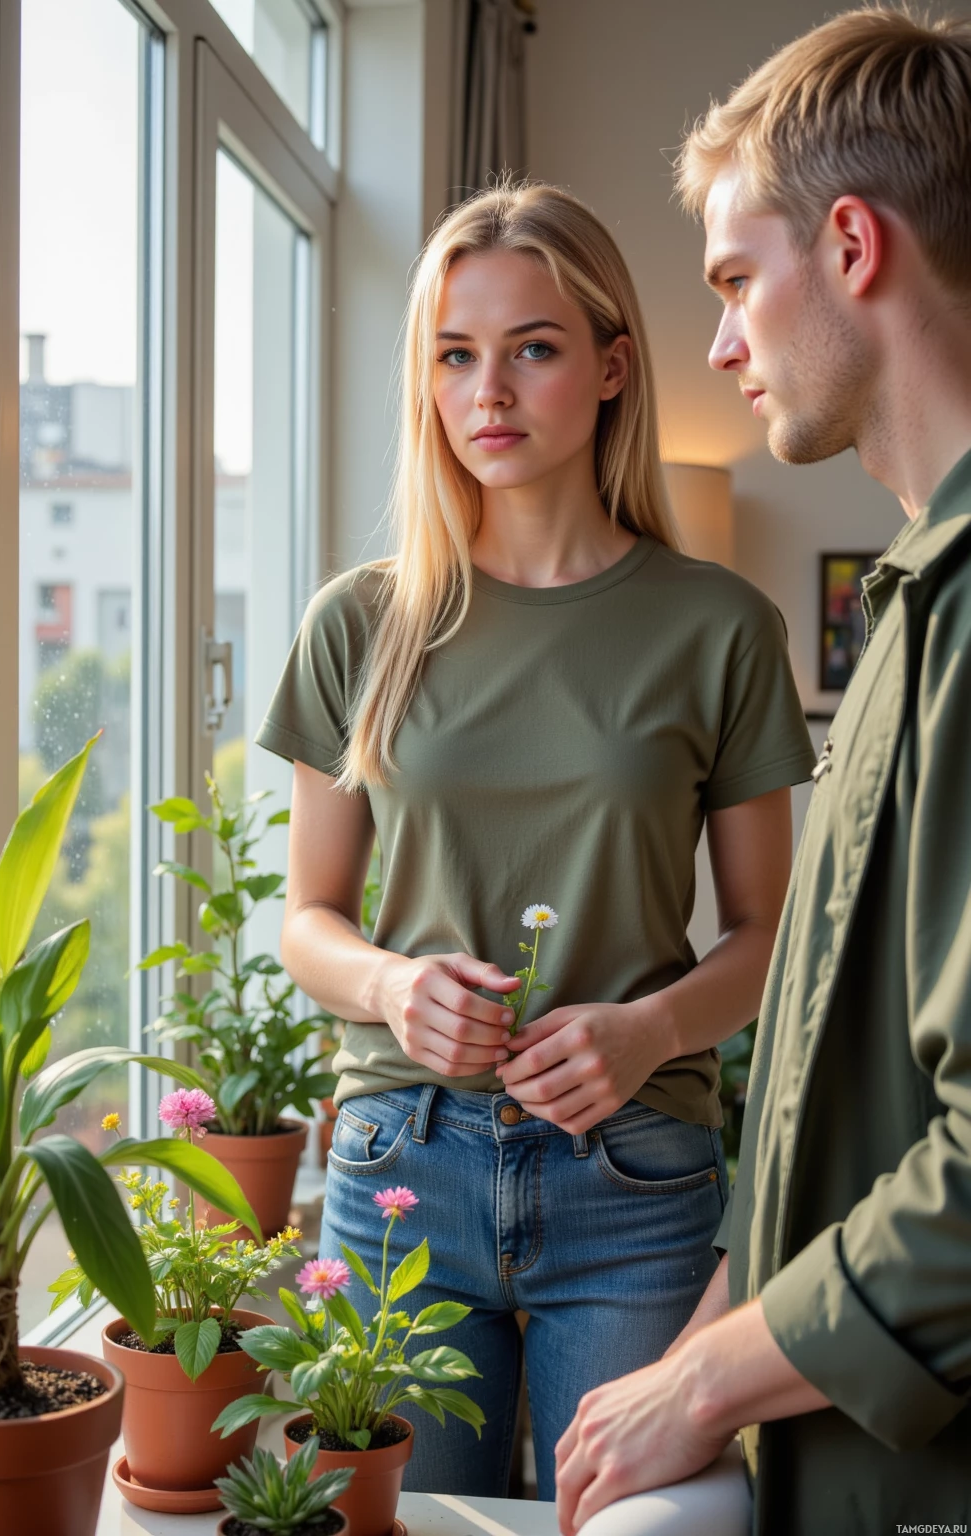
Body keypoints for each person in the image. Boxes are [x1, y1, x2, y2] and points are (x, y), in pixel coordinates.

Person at [256, 181, 814, 1500]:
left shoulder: (719, 629)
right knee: (391, 1523)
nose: (488, 391)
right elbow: (306, 920)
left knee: (632, 1522)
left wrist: (650, 1030)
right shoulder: (361, 625)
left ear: (615, 365)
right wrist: (394, 985)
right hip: (402, 1172)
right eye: (455, 355)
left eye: (535, 348)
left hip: (633, 1171)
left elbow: (765, 935)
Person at [554, 10, 971, 1535]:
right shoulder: (904, 612)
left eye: (737, 281)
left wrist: (714, 1380)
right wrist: (712, 1332)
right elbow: (816, 1077)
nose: (719, 342)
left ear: (853, 244)